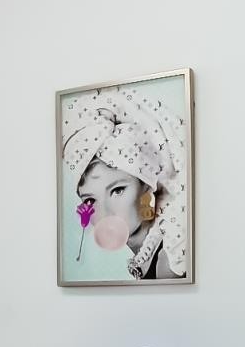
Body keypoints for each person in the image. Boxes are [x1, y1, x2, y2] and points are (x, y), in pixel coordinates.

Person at [61, 88, 188, 281]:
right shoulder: (148, 257)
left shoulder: (171, 258)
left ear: (147, 186)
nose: (105, 213)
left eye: (117, 190)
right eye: (89, 201)